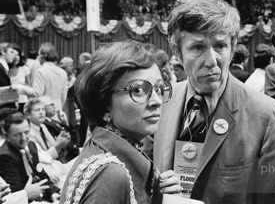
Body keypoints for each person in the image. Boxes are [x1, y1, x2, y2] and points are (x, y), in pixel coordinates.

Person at [153, 0, 275, 203]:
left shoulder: (269, 115)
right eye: (198, 47)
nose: (212, 60)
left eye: (220, 46)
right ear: (177, 52)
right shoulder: (162, 101)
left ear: (232, 47)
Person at [60, 40, 186, 204]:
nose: (156, 101)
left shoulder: (107, 151)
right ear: (104, 101)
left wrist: (157, 198)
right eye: (138, 90)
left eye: (159, 88)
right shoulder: (110, 173)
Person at [0, 112, 57, 202]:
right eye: (17, 135)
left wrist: (54, 194)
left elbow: (41, 174)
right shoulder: (4, 157)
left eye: (26, 132)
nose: (24, 138)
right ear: (7, 135)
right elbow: (18, 193)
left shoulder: (31, 145)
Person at [33, 42, 68, 111]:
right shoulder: (63, 72)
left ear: (43, 56)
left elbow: (38, 93)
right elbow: (64, 95)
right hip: (58, 108)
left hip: (44, 109)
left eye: (38, 55)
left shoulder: (40, 71)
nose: (37, 57)